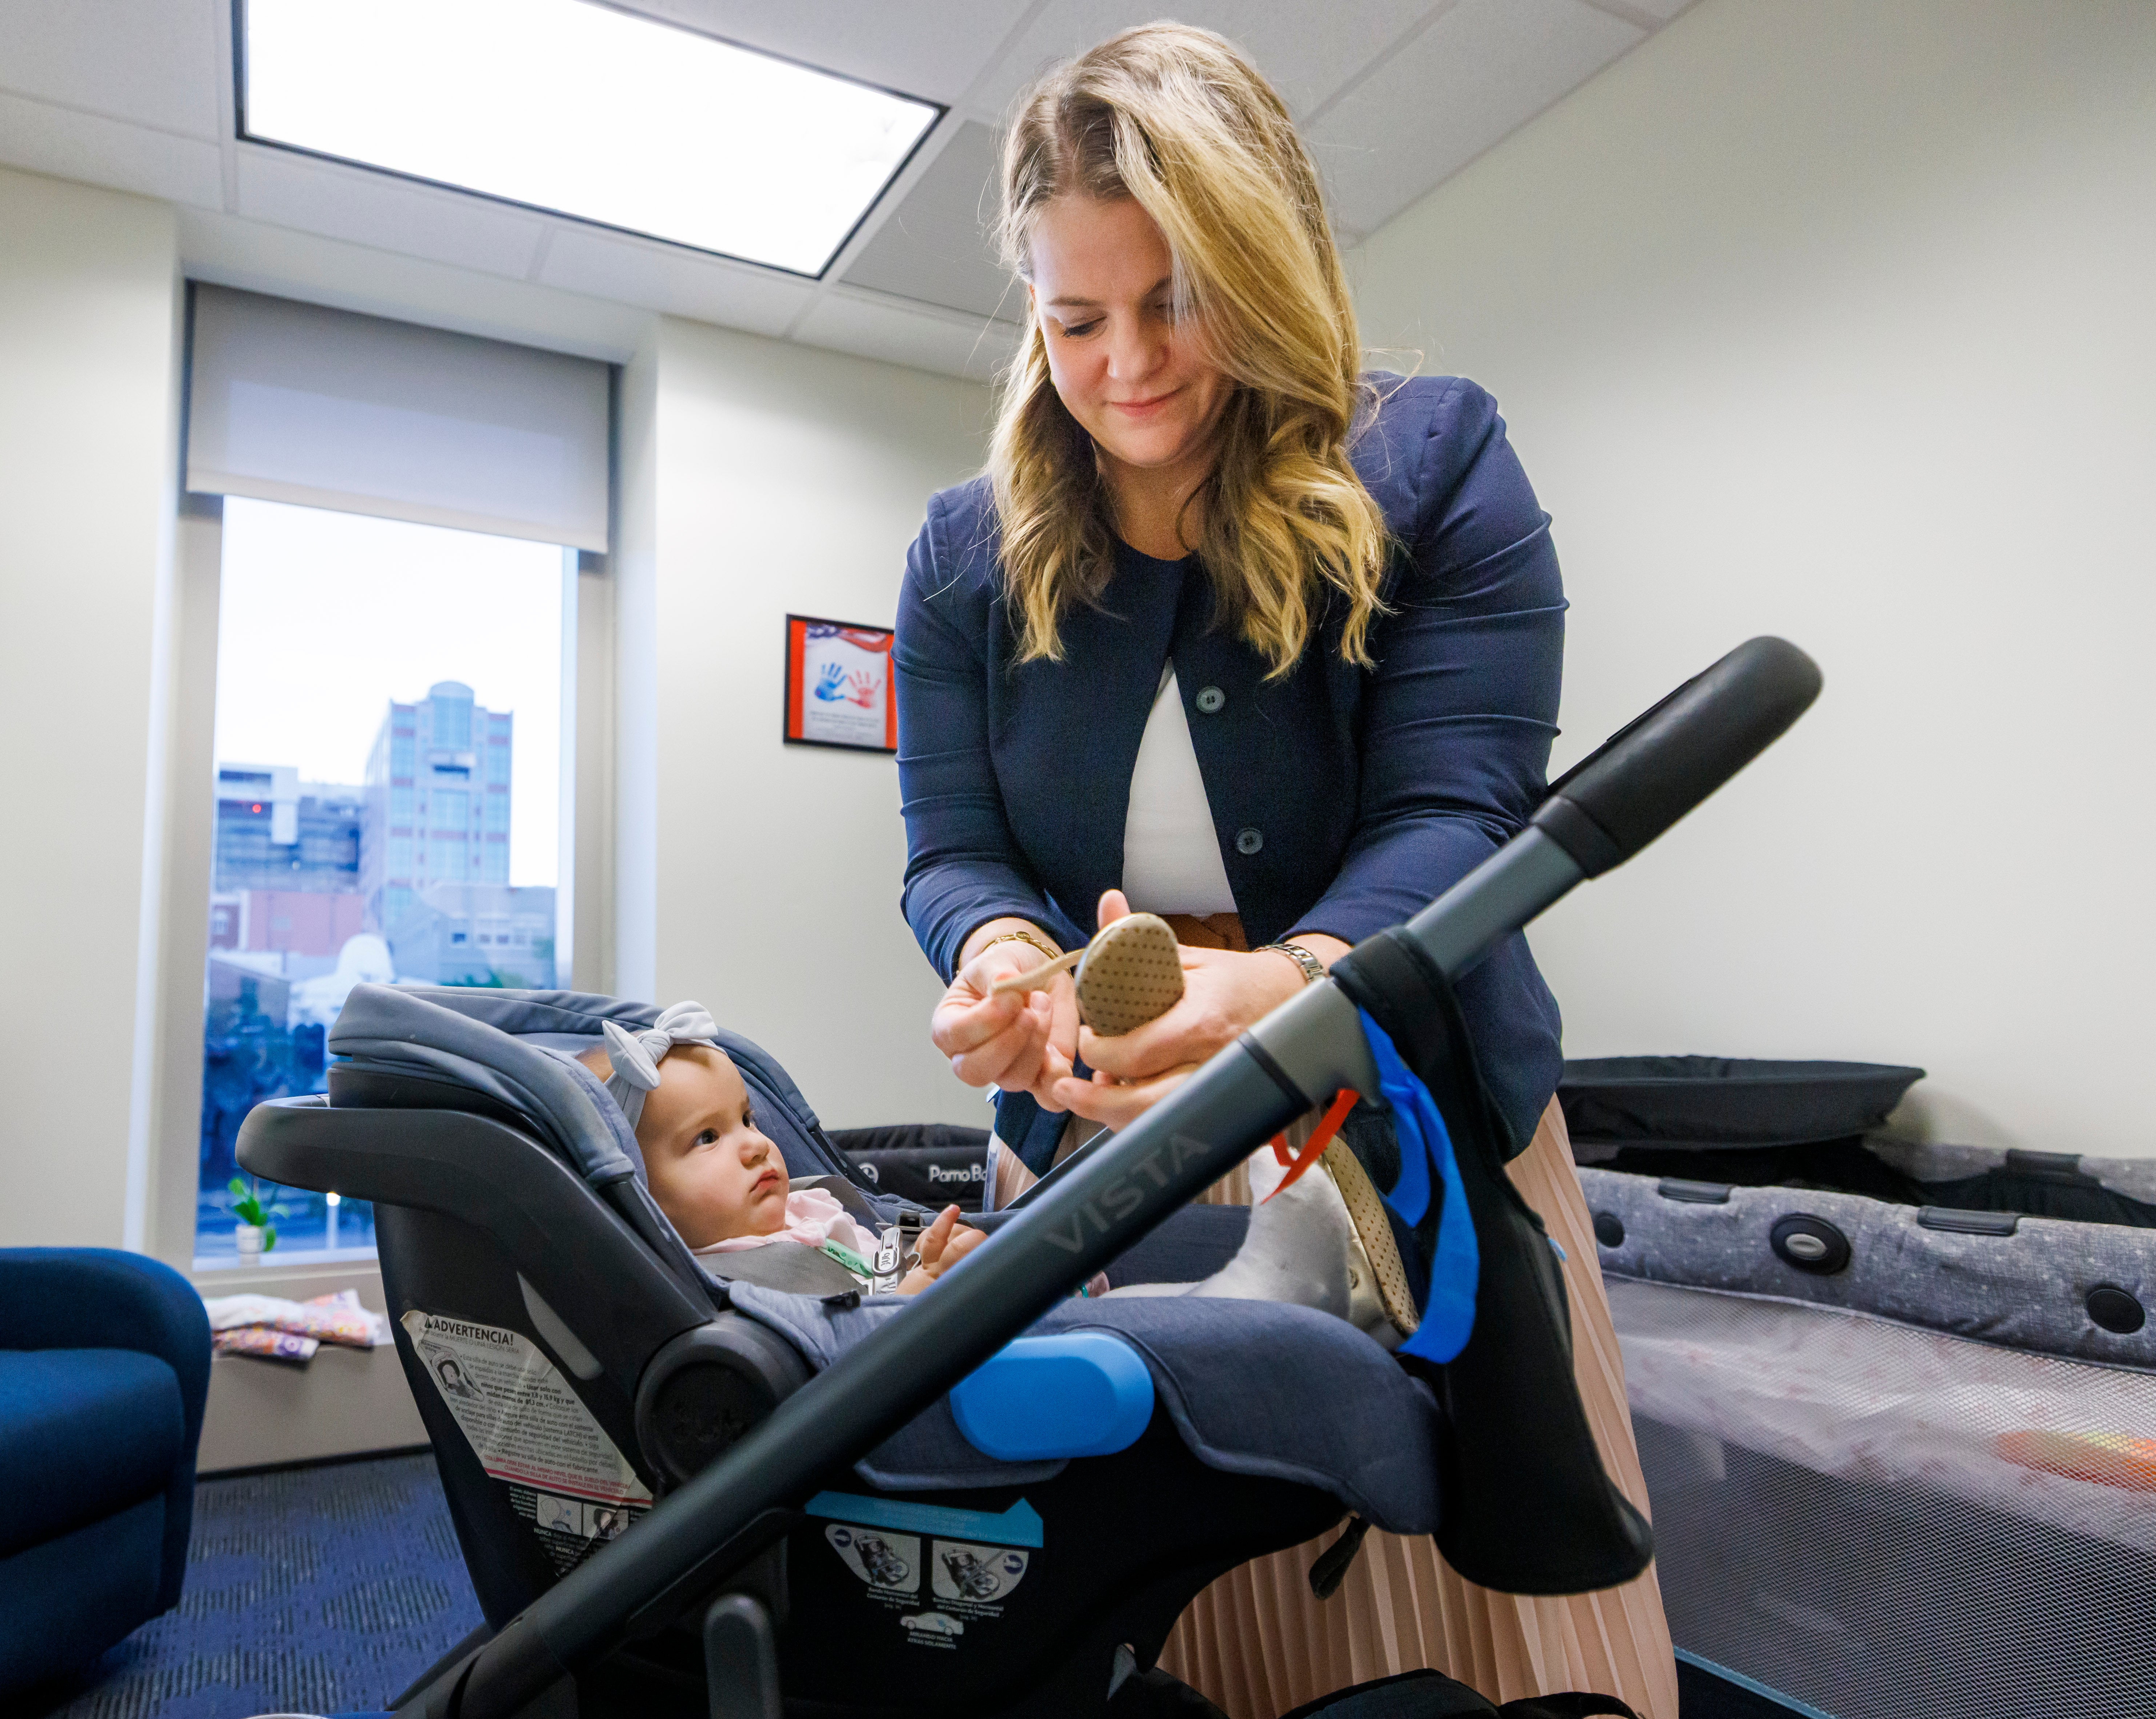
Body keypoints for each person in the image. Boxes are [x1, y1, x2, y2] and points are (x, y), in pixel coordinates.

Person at [894, 25, 1677, 1718]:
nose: (1126, 367)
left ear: (1259, 262)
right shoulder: (964, 555)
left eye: (1172, 302)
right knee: (1167, 1616)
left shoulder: (1434, 465)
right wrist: (997, 952)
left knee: (1460, 1620)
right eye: (1075, 317)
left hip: (1401, 1116)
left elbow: (1457, 814)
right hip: (1101, 1145)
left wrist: (1274, 987)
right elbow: (950, 849)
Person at [585, 1002, 1378, 1316]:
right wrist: (922, 1289)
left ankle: (1261, 1290)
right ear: (645, 1198)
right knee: (1140, 1326)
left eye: (747, 1118)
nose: (758, 1143)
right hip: (926, 1376)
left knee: (1089, 1281)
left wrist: (931, 1255)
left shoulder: (803, 1212)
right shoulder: (733, 1280)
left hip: (951, 1310)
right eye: (708, 1139)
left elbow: (872, 1263)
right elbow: (837, 1343)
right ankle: (1262, 1296)